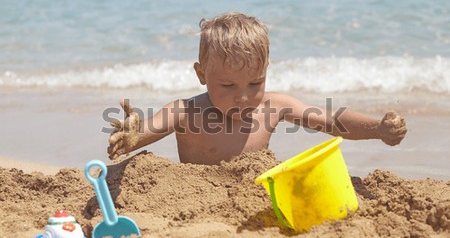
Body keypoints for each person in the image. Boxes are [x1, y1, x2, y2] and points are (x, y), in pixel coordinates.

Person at [107, 12, 407, 165]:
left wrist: (377, 129)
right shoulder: (187, 111)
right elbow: (147, 131)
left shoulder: (274, 106)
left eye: (255, 82)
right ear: (202, 74)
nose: (244, 96)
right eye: (227, 85)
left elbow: (332, 121)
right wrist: (132, 136)